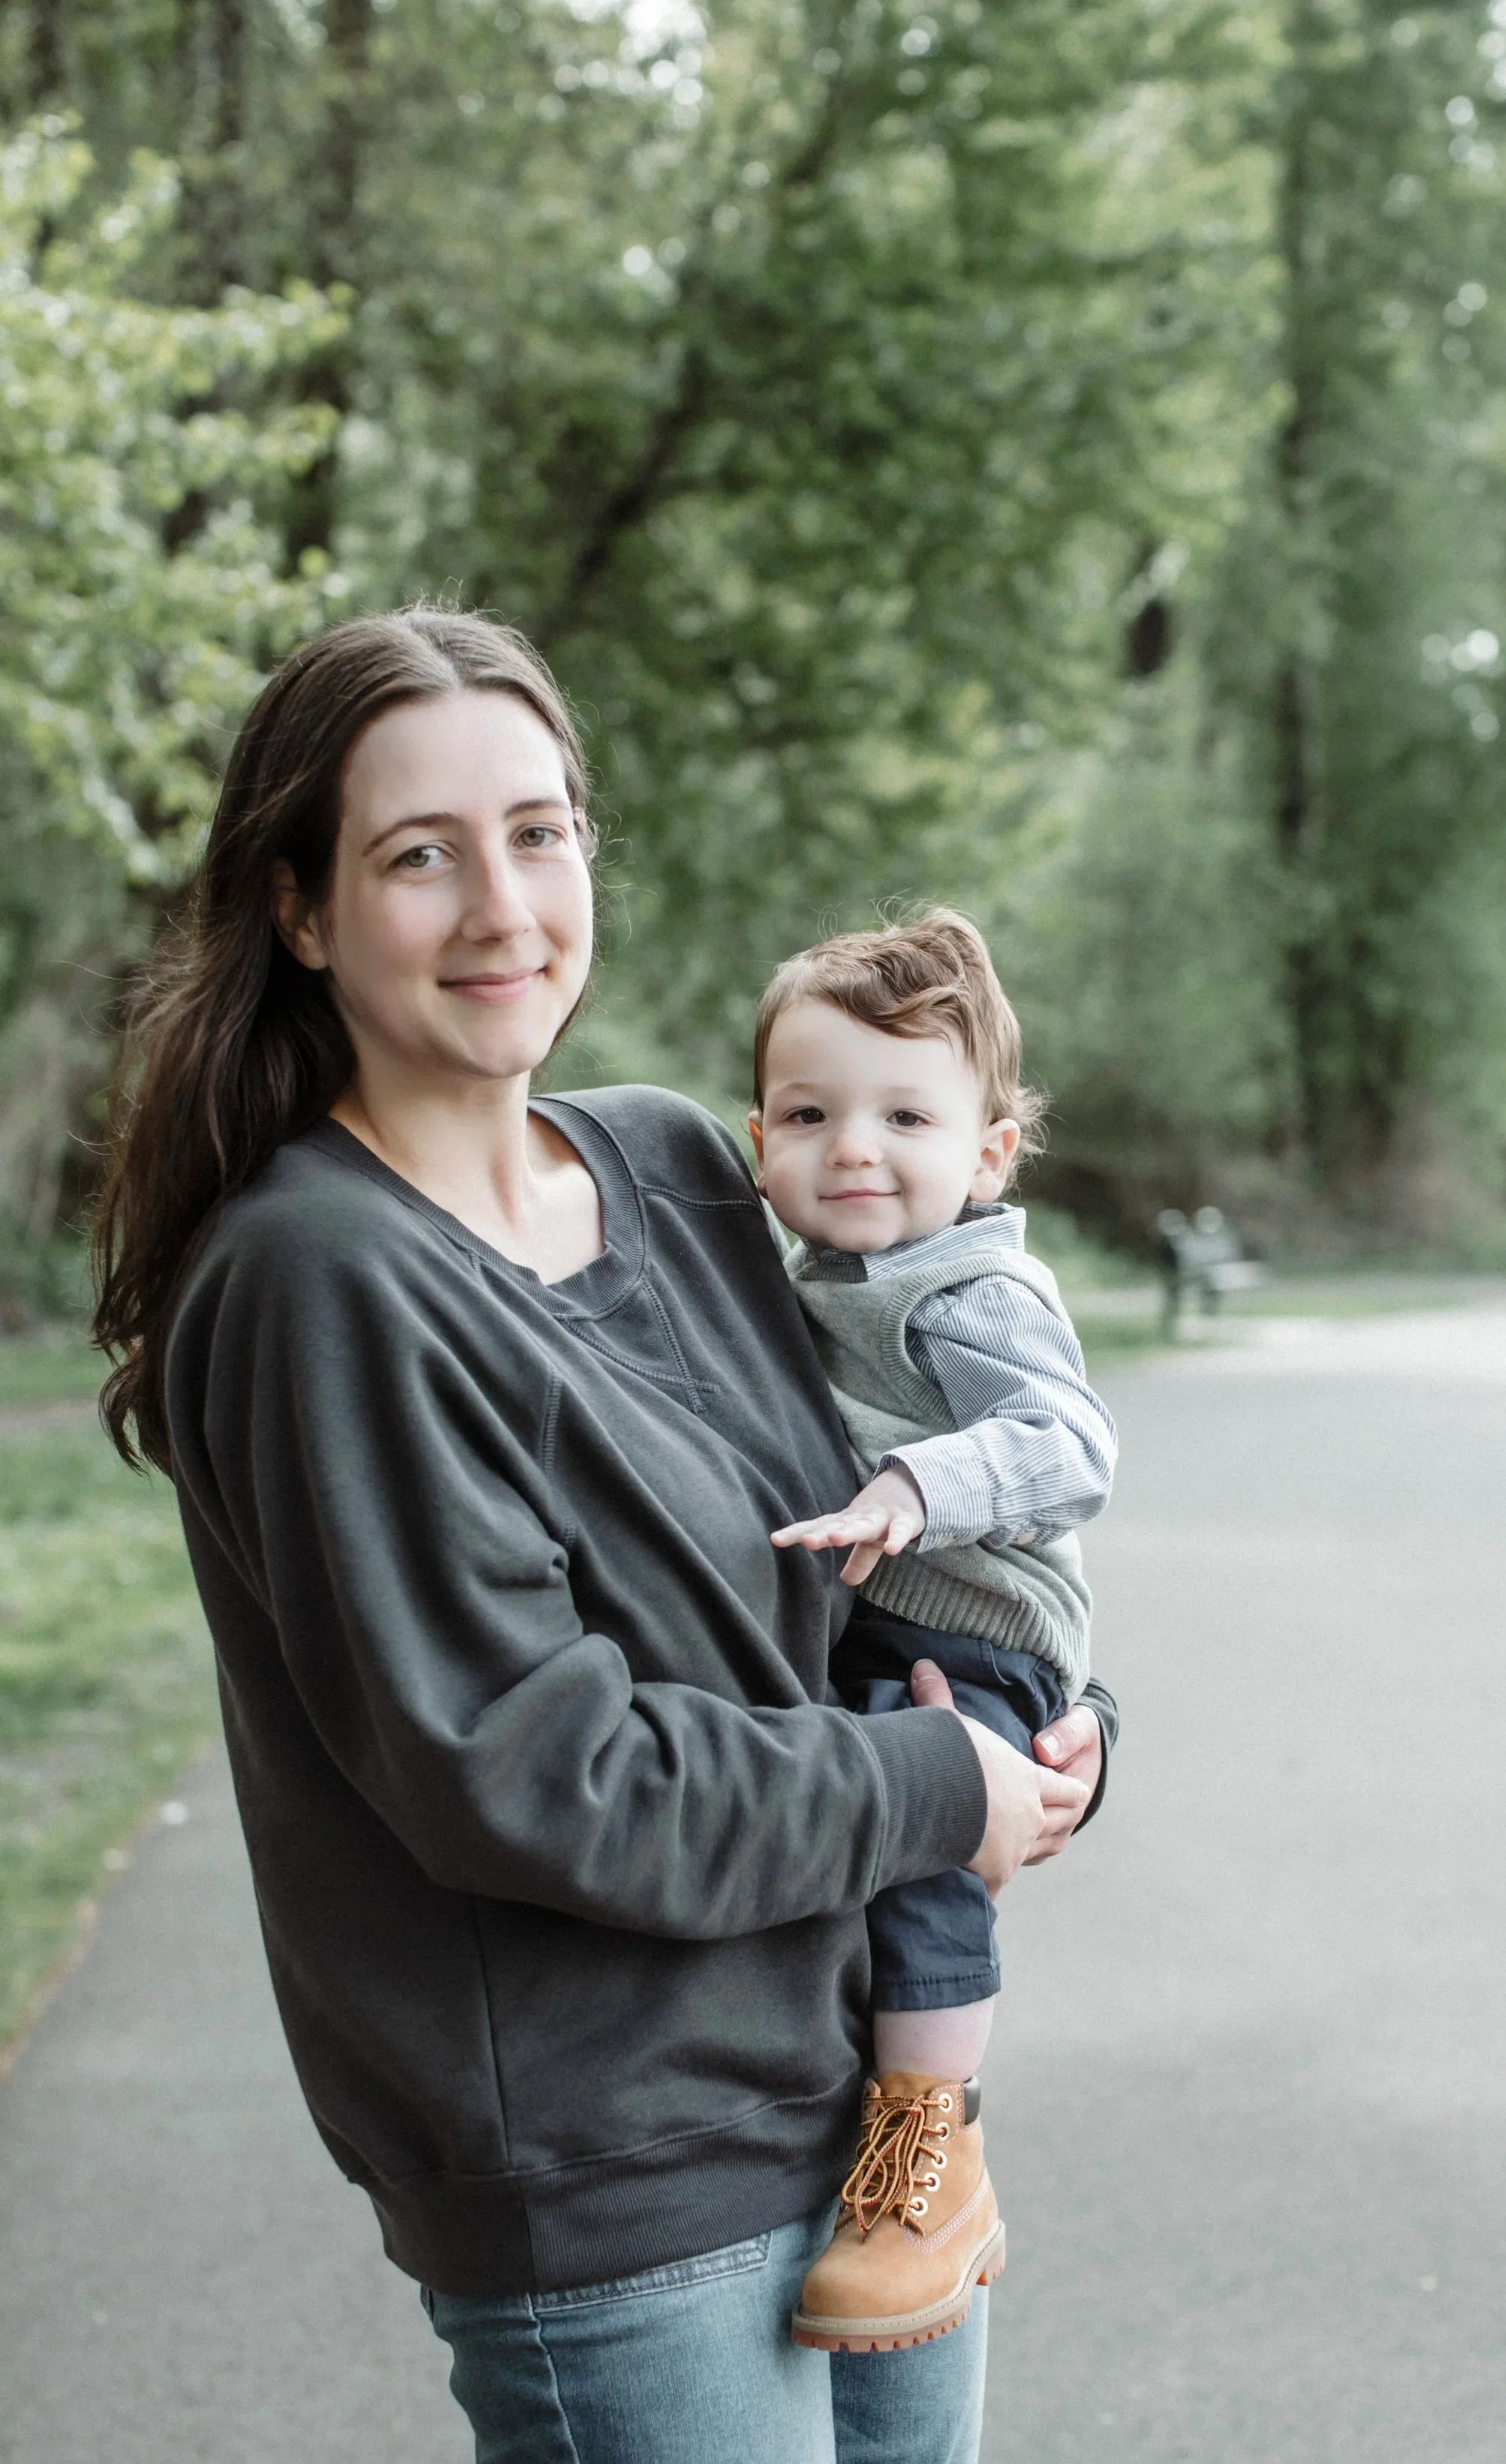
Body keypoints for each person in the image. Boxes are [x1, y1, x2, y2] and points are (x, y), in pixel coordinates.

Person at [89, 607, 1119, 2464]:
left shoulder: (677, 1165)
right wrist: (924, 1786)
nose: (503, 907)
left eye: (541, 831)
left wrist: (1051, 1727)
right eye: (421, 854)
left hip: (870, 2116)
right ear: (303, 906)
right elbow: (537, 1771)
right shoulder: (322, 1278)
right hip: (618, 2181)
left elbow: (862, 1552)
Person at [749, 913, 1116, 2355]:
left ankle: (931, 2150)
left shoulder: (966, 1288)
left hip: (978, 1624)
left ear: (987, 1154)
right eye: (810, 1113)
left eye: (906, 1114)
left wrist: (917, 1484)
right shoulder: (803, 1273)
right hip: (883, 1610)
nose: (854, 1147)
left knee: (921, 1841)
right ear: (759, 1135)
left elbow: (1070, 1442)